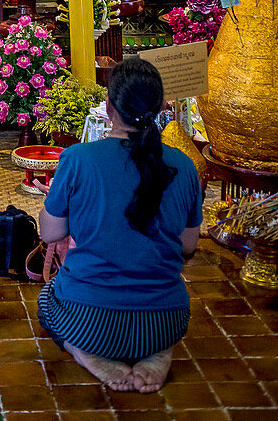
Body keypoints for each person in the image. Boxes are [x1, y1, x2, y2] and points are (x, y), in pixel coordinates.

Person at [37, 58, 202, 393]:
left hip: (90, 322)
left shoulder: (77, 158)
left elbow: (50, 233)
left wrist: (58, 198)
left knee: (46, 301)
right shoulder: (185, 166)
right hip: (165, 321)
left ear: (109, 106)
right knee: (154, 316)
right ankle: (158, 351)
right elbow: (188, 247)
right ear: (160, 107)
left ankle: (85, 351)